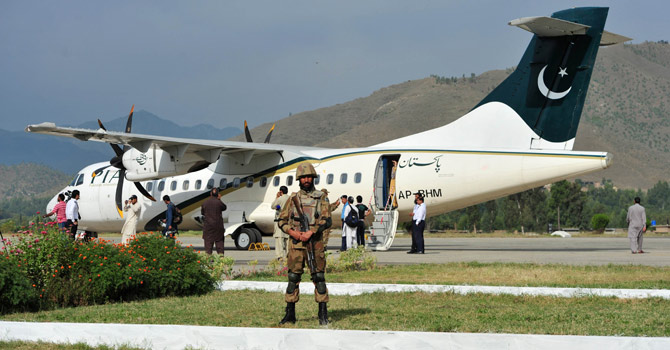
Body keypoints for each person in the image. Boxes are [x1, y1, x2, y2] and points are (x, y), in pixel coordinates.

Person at [277, 162, 332, 325]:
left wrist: (312, 231)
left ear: (313, 178)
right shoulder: (293, 199)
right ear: (299, 179)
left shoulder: (321, 198)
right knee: (293, 278)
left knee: (319, 278)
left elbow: (327, 220)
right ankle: (290, 314)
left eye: (309, 177)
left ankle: (323, 314)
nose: (306, 179)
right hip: (296, 245)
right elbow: (282, 220)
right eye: (303, 177)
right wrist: (293, 232)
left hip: (314, 244)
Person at [201, 188, 227, 255]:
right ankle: (221, 257)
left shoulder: (205, 203)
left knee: (208, 242)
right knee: (219, 241)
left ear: (210, 193)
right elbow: (224, 207)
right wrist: (219, 199)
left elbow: (203, 212)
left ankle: (208, 256)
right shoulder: (219, 202)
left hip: (208, 225)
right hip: (218, 225)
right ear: (218, 194)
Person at [271, 186, 290, 259]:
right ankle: (288, 255)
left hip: (279, 222)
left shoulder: (280, 199)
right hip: (288, 222)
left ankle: (280, 256)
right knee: (287, 239)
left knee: (279, 239)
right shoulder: (290, 198)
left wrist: (277, 197)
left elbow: (272, 206)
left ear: (281, 191)